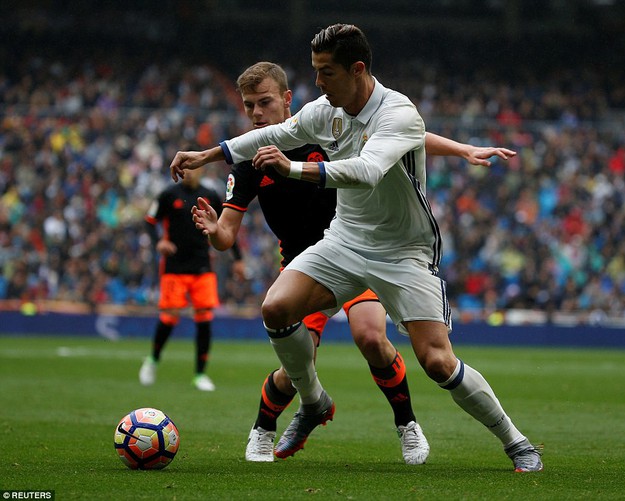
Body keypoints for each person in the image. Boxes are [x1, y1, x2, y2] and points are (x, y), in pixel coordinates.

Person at [174, 24, 542, 472]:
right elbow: (272, 137)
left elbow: (366, 170)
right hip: (344, 241)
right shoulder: (324, 110)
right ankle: (312, 401)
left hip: (402, 251)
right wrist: (206, 155)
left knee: (437, 361)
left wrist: (290, 169)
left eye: (326, 72)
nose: (318, 83)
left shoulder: (399, 113)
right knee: (275, 308)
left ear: (358, 69)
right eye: (315, 72)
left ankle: (515, 440)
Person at [139, 164, 242, 391]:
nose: (189, 173)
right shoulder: (168, 194)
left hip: (202, 265)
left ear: (201, 170)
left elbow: (227, 226)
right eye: (185, 169)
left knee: (204, 317)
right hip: (174, 266)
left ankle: (200, 374)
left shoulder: (210, 195)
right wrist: (159, 241)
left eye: (193, 168)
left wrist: (238, 259)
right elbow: (149, 221)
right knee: (170, 316)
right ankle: (153, 360)